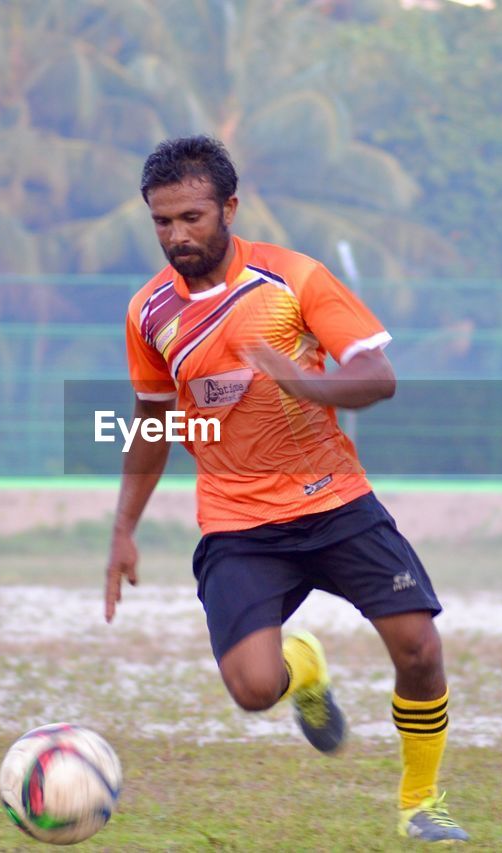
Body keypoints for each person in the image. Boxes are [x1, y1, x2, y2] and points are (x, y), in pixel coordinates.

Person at [103, 135, 468, 844]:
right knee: (251, 689)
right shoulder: (148, 313)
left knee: (419, 647)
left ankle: (421, 802)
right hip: (238, 524)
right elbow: (153, 421)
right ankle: (302, 668)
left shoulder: (293, 280)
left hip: (335, 503)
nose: (177, 235)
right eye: (162, 221)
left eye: (192, 217)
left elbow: (378, 375)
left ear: (229, 208)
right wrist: (123, 529)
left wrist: (307, 381)